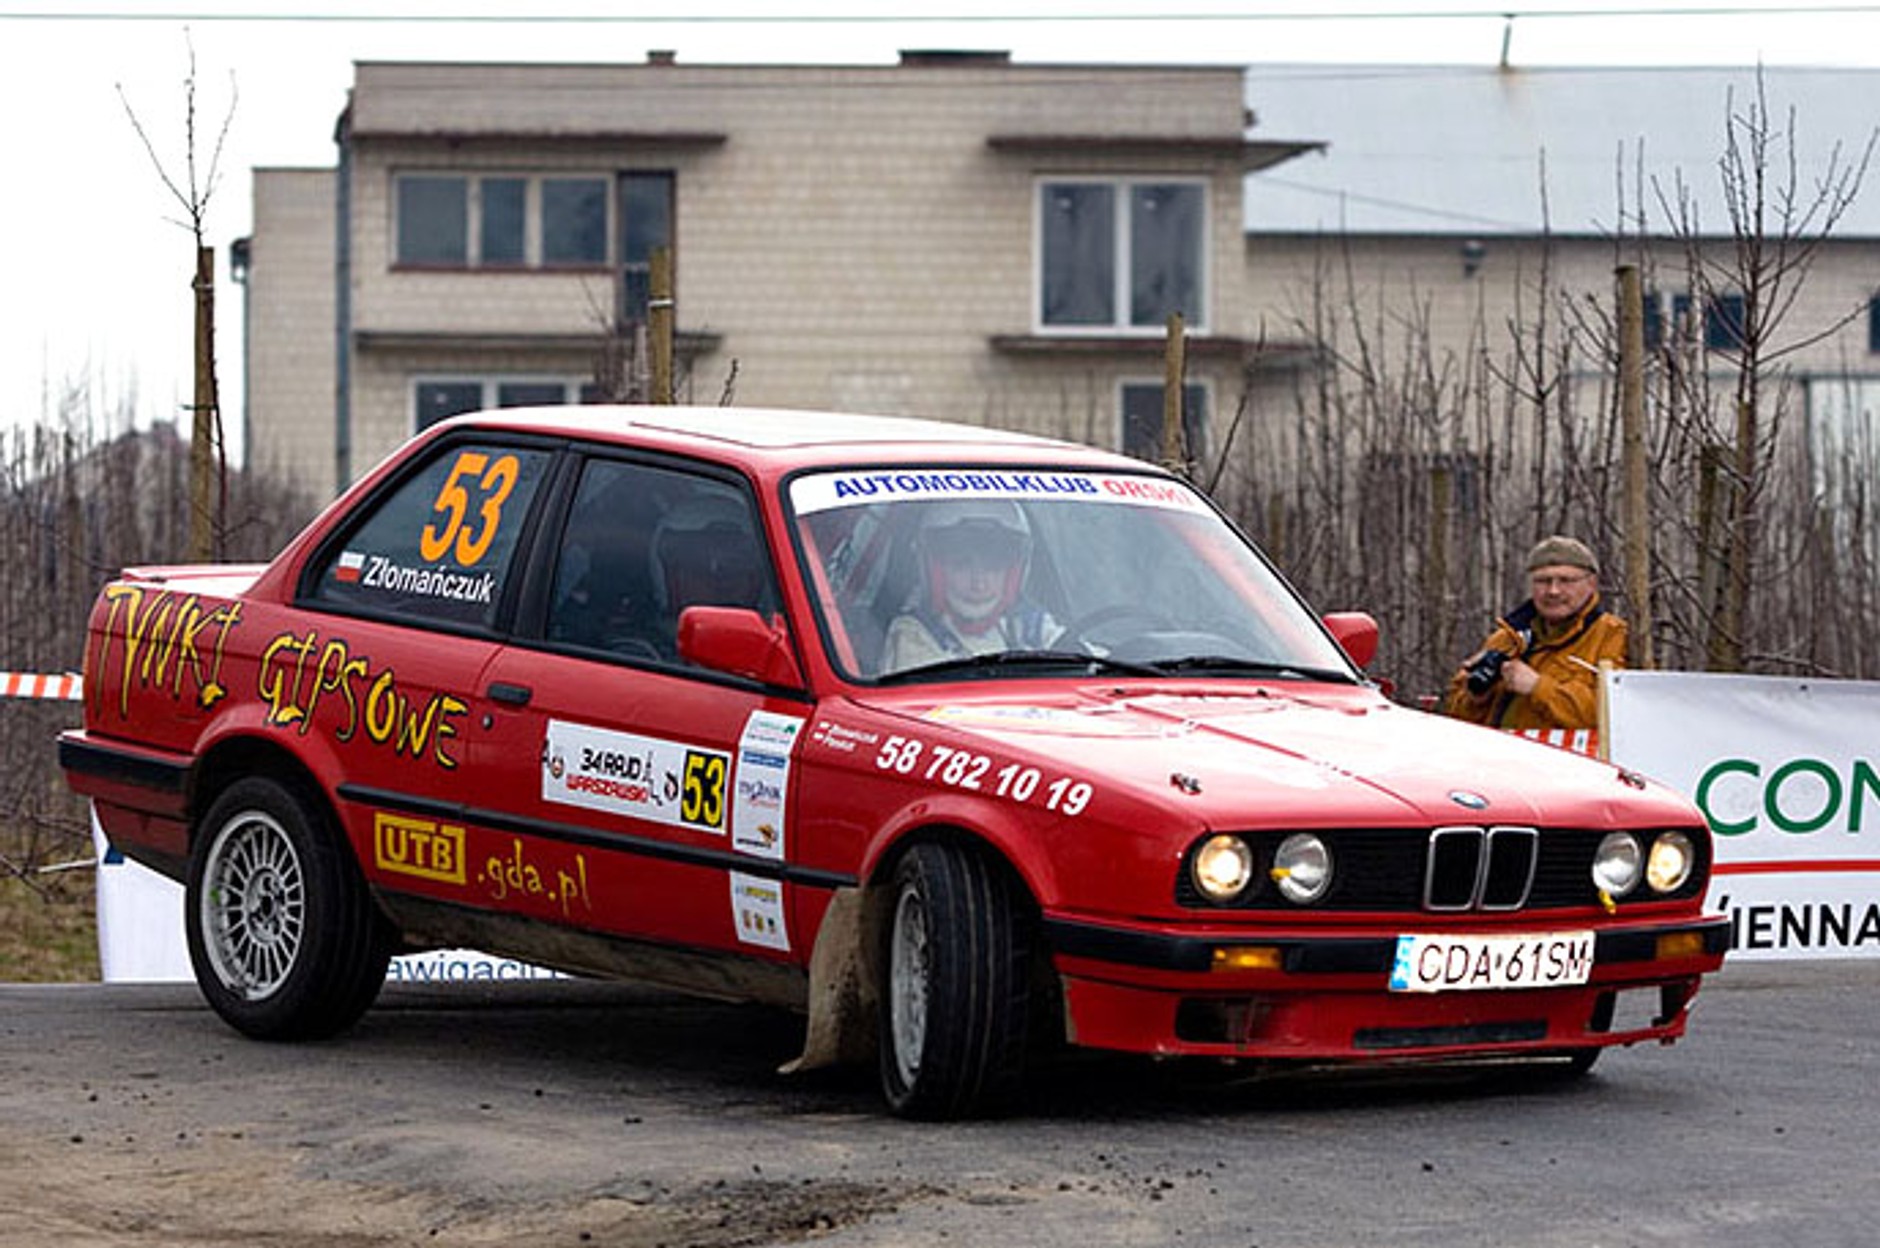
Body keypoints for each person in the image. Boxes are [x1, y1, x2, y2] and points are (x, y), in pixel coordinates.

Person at [1445, 534, 1628, 731]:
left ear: (1591, 584)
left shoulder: (1613, 637)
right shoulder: (1507, 638)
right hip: (1500, 749)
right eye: (1543, 581)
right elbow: (1456, 718)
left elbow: (1615, 717)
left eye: (1566, 580)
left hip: (1572, 751)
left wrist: (1537, 687)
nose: (1553, 591)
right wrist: (1477, 695)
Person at [880, 499, 1062, 674]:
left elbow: (1075, 662)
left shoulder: (1032, 627)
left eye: (993, 568)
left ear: (1012, 575)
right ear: (935, 571)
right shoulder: (912, 635)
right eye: (961, 565)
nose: (978, 584)